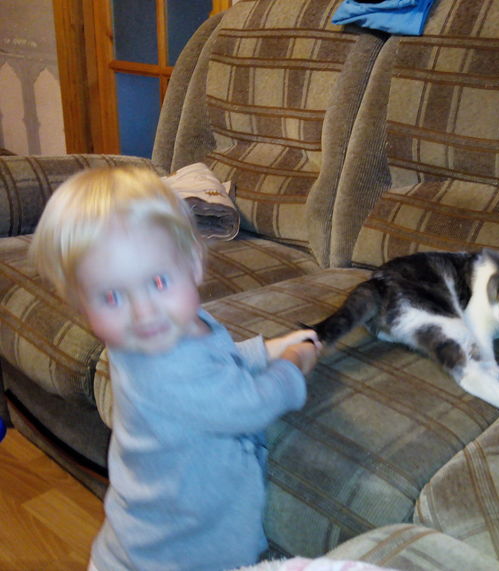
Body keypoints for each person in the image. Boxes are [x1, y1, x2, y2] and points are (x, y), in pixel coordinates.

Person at [29, 165, 321, 571]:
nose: (143, 312)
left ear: (193, 264)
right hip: (168, 556)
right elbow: (247, 405)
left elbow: (212, 363)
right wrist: (291, 364)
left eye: (158, 283)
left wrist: (265, 350)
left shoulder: (166, 331)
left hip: (153, 538)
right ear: (83, 306)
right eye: (111, 297)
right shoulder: (160, 360)